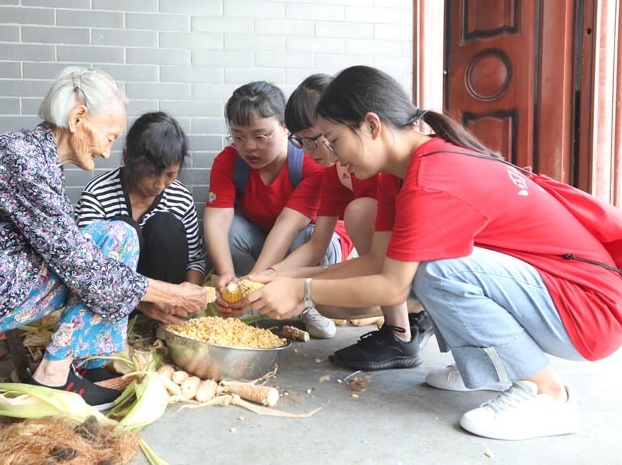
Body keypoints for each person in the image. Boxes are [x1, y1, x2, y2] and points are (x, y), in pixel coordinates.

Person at [247, 65, 622, 440]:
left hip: (588, 311)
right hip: (556, 296)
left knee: (435, 270)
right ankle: (492, 370)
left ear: (372, 126)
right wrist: (284, 278)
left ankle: (548, 393)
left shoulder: (432, 177)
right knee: (420, 267)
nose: (331, 154)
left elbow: (392, 288)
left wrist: (303, 291)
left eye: (333, 139)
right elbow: (377, 263)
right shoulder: (400, 173)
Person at [0, 67, 207, 410]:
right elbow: (81, 267)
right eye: (109, 137)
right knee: (115, 241)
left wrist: (140, 300)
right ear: (78, 118)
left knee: (114, 238)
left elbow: (71, 252)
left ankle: (86, 364)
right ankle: (54, 373)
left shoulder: (34, 156)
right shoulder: (23, 161)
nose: (106, 152)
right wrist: (173, 293)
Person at [269, 73, 433, 370]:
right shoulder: (337, 174)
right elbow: (327, 246)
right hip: (396, 266)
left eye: (320, 139)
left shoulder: (388, 168)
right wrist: (275, 276)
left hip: (427, 266)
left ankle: (403, 329)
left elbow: (385, 269)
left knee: (359, 214)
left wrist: (297, 286)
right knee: (325, 302)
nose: (309, 152)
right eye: (300, 142)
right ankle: (415, 311)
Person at [203, 80, 338, 338]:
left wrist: (253, 280)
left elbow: (287, 226)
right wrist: (227, 276)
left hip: (303, 244)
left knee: (304, 236)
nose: (249, 147)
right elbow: (216, 221)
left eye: (260, 136)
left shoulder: (310, 162)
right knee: (233, 229)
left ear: (286, 128)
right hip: (261, 242)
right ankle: (254, 301)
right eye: (238, 137)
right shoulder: (229, 161)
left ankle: (308, 305)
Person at [75, 111, 205, 285]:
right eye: (151, 174)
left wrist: (186, 295)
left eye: (170, 174)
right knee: (124, 227)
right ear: (127, 158)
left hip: (169, 297)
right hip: (113, 294)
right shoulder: (98, 194)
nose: (160, 185)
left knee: (166, 225)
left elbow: (194, 261)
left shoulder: (180, 197)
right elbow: (83, 263)